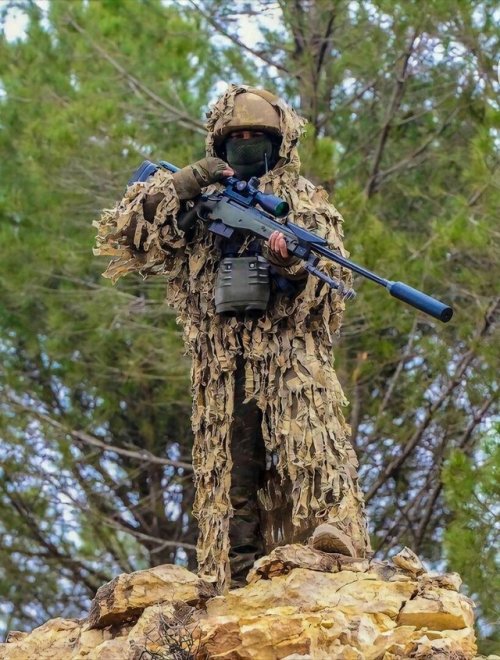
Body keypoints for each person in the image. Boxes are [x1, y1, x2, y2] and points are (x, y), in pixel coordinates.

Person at [94, 84, 371, 591]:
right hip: (222, 365)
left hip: (289, 357)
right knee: (231, 475)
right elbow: (129, 230)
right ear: (219, 145)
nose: (246, 144)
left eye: (257, 136)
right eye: (236, 136)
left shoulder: (302, 201)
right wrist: (193, 180)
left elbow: (331, 292)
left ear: (278, 141)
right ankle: (238, 577)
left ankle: (334, 557)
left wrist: (285, 264)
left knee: (310, 453)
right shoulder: (196, 193)